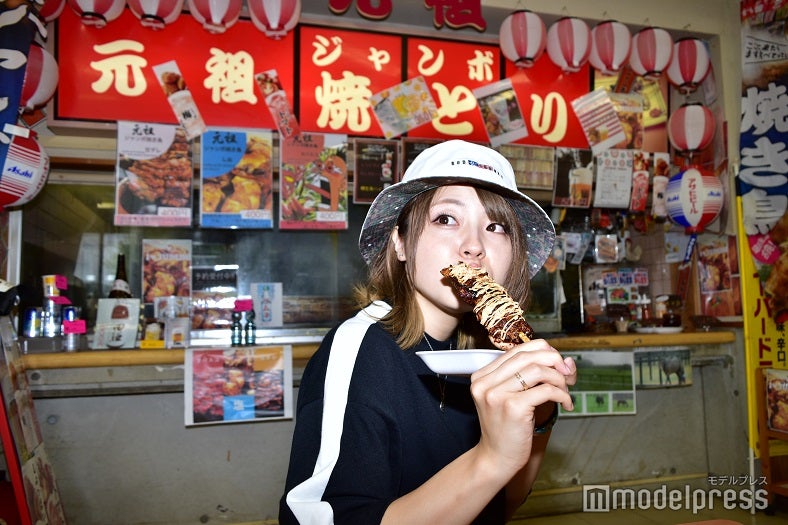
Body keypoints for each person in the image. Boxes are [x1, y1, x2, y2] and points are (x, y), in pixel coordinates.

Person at [279, 140, 577, 525]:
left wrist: (540, 414)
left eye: (495, 226)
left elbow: (503, 504)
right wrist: (490, 458)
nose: (473, 247)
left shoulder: (488, 356)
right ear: (401, 242)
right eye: (446, 219)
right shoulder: (360, 350)